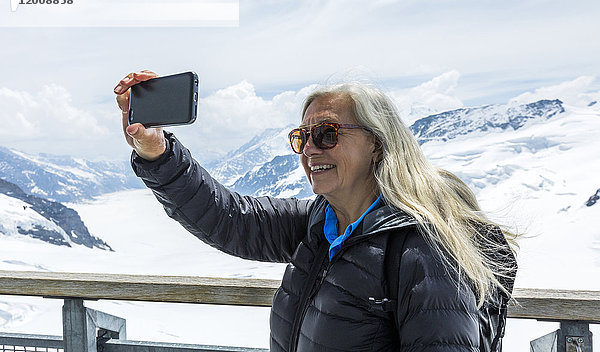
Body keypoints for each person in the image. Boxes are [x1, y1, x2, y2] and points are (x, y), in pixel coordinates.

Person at [115, 71, 518, 352]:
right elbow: (230, 219)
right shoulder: (322, 224)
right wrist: (158, 152)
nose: (310, 150)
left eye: (327, 134)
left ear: (378, 144)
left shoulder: (423, 251)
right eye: (302, 137)